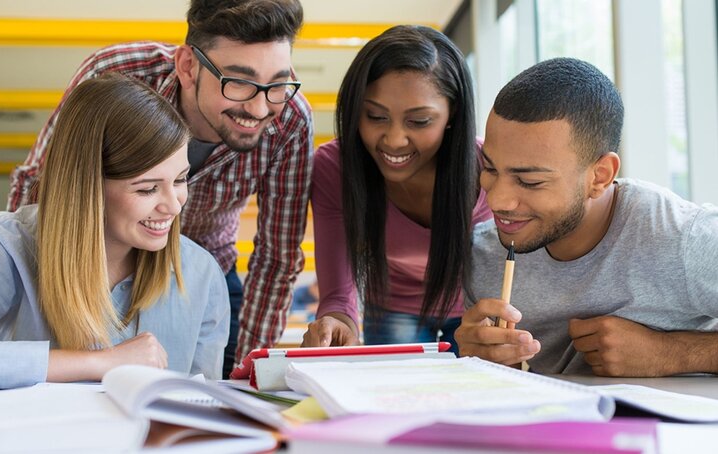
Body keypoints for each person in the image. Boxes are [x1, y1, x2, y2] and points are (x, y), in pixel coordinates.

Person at [7, 0, 313, 377]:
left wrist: (249, 368)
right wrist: (21, 272)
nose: (261, 107)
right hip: (90, 265)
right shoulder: (117, 73)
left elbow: (277, 255)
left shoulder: (292, 119)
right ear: (187, 66)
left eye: (277, 84)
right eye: (239, 83)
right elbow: (42, 184)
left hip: (206, 272)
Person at [456, 57, 718, 377]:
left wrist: (673, 354)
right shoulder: (481, 256)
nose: (497, 200)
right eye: (491, 169)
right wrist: (475, 361)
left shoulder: (685, 239)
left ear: (600, 176)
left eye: (530, 181)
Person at [0, 74, 229, 391]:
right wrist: (100, 362)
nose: (173, 206)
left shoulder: (202, 273)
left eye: (179, 180)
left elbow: (203, 408)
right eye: (147, 189)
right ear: (87, 188)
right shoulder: (6, 246)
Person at [301, 25, 491, 353]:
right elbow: (337, 294)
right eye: (375, 116)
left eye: (418, 121)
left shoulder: (489, 167)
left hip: (477, 309)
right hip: (392, 306)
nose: (394, 140)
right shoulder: (335, 167)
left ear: (453, 112)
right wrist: (338, 321)